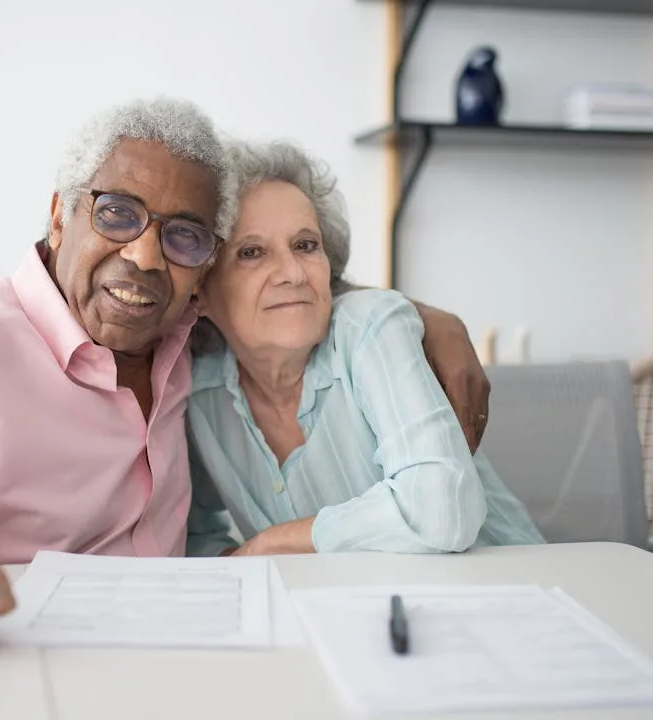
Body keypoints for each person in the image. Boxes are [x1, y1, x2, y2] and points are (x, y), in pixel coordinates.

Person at [0, 97, 491, 651]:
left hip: (188, 667)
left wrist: (414, 315)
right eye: (116, 213)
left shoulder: (188, 337)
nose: (143, 256)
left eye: (182, 236)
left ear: (202, 267)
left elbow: (278, 287)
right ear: (59, 215)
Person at [184, 139, 544, 557]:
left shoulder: (371, 327)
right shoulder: (198, 391)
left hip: (511, 582)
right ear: (199, 291)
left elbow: (442, 513)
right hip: (350, 599)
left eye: (305, 245)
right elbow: (193, 537)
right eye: (251, 253)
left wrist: (270, 543)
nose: (292, 273)